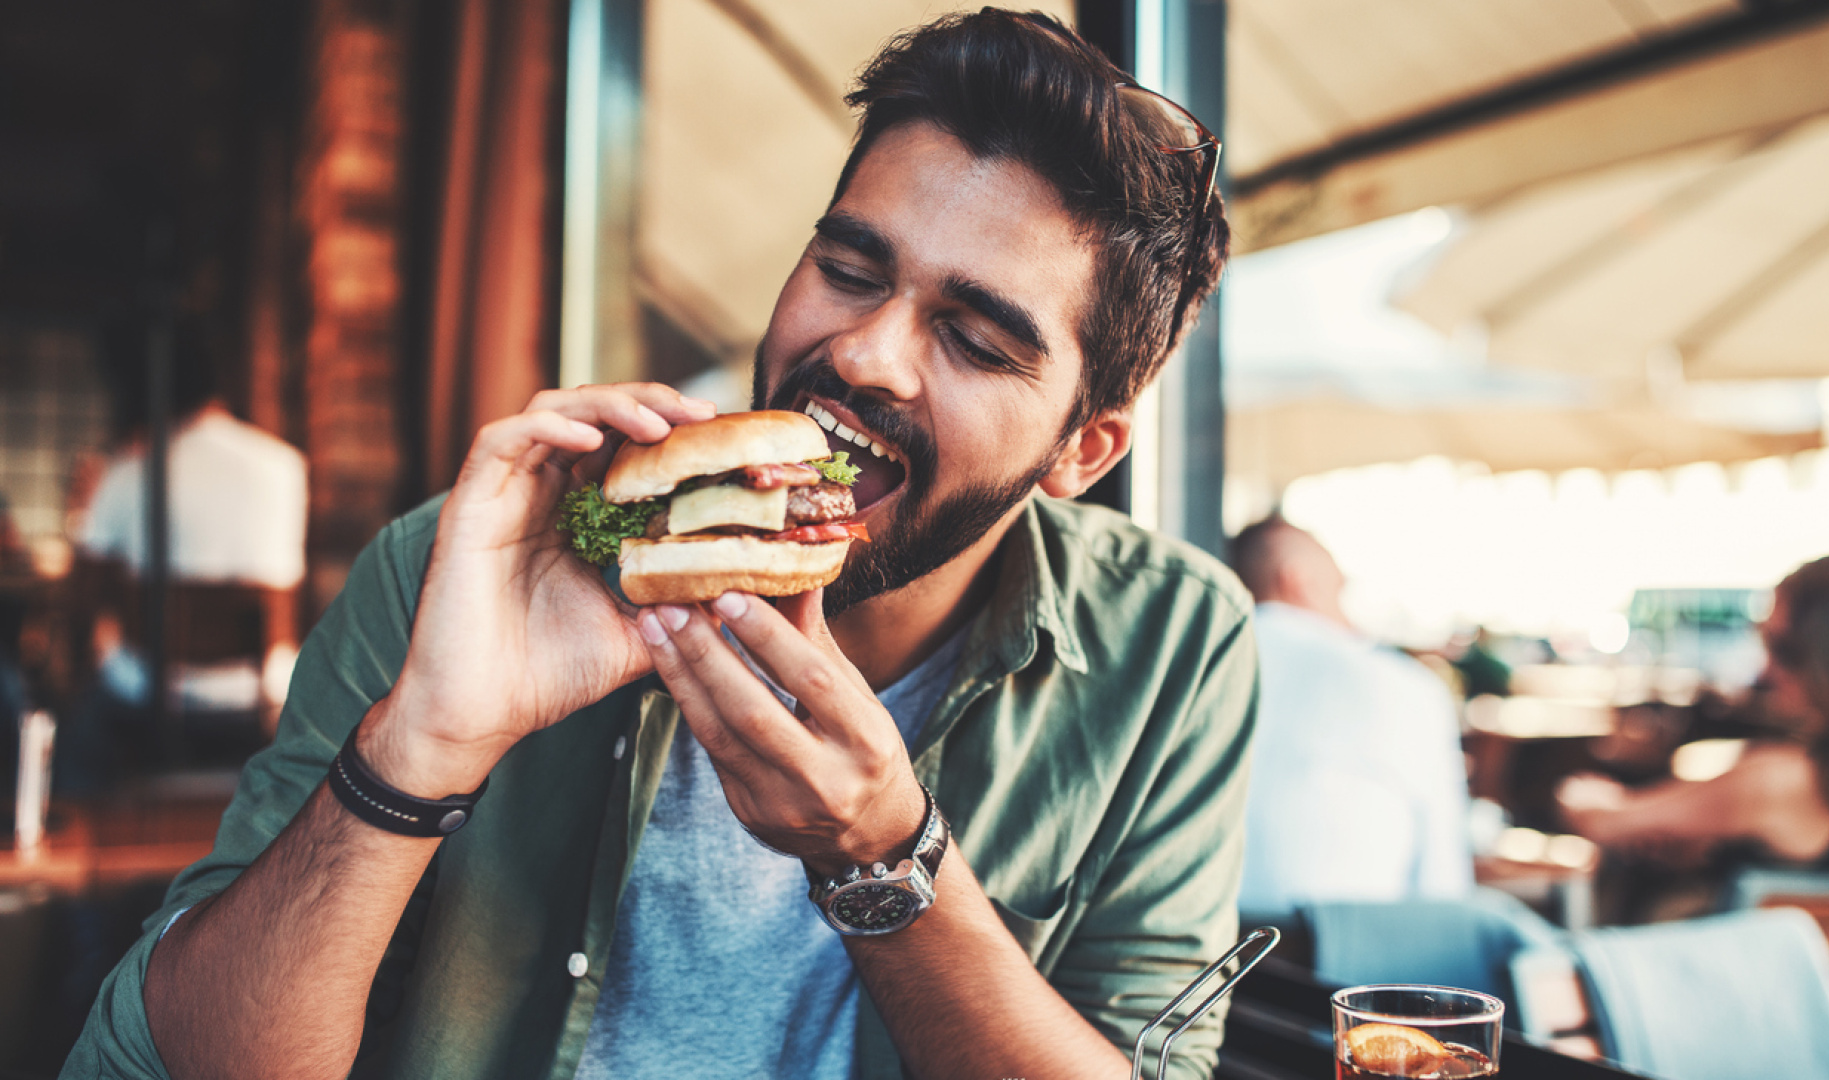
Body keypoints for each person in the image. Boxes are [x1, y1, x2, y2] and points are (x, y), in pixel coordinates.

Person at [63, 11, 1256, 1080]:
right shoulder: (465, 569)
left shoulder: (1174, 648)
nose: (867, 355)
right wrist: (422, 746)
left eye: (979, 342)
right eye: (848, 269)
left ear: (1082, 452)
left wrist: (887, 858)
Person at [1559, 555, 1829, 902]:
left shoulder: (1783, 783)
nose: (1765, 670)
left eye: (1784, 648)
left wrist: (1584, 797)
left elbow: (1606, 824)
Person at [1229, 516, 1474, 917]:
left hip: (1208, 956)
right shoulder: (1400, 683)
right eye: (1341, 590)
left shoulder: (1186, 668)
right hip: (1339, 952)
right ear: (1299, 580)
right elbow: (1441, 878)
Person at [74, 323, 306, 716]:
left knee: (92, 681)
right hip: (263, 682)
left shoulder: (130, 471)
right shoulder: (285, 465)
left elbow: (86, 584)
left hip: (151, 684)